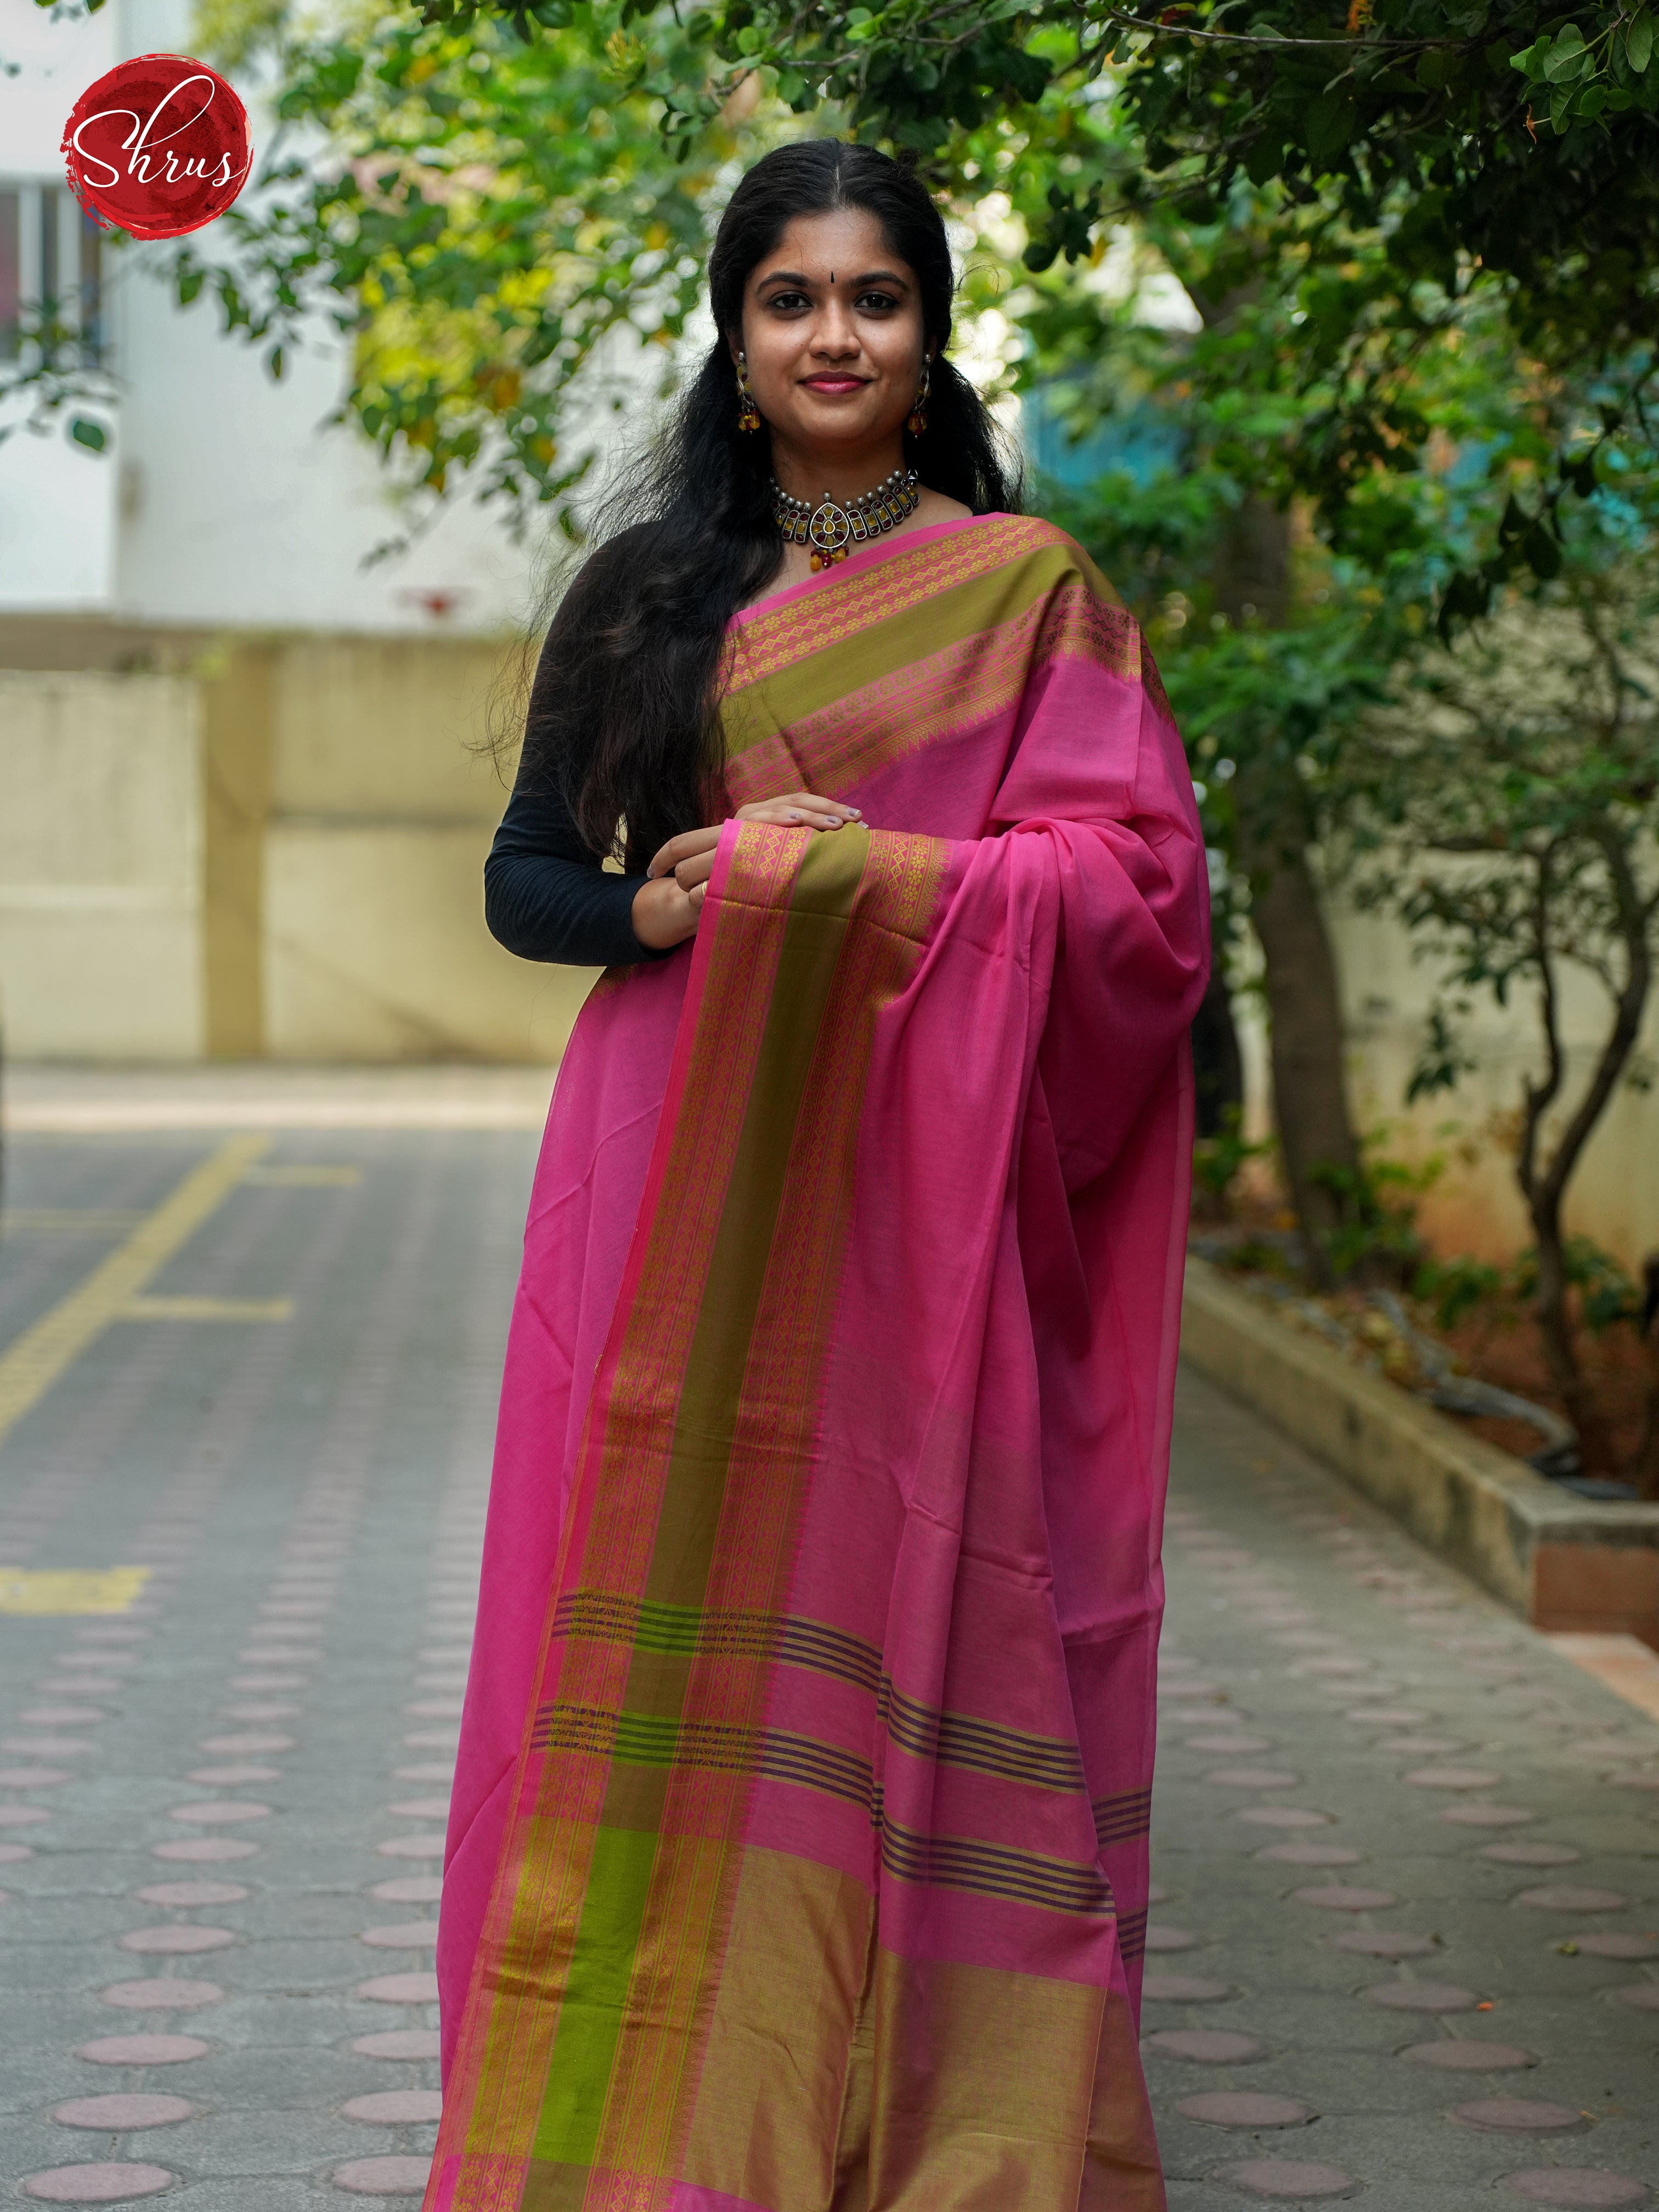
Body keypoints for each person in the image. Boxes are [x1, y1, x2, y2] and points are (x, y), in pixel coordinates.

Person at [427, 139, 1209, 2212]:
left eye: (874, 298)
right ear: (737, 333)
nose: (834, 336)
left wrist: (859, 881)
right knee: (658, 1606)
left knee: (923, 1601)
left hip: (923, 1193)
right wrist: (658, 917)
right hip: (672, 1155)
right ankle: (666, 2102)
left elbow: (1139, 907)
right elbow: (526, 886)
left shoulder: (1031, 589)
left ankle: (911, 2096)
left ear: (930, 329)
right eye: (792, 300)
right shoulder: (647, 596)